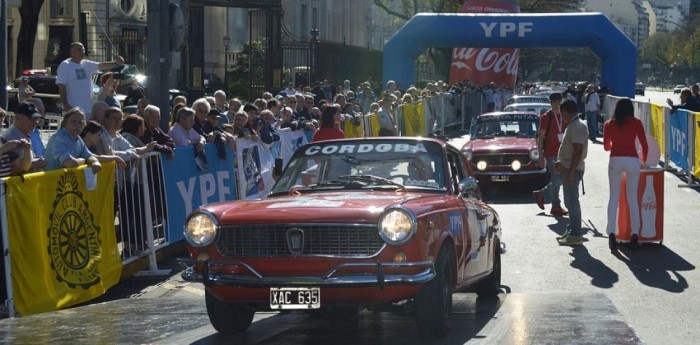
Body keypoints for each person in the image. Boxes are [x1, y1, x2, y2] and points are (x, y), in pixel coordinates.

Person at [603, 98, 648, 251]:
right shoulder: (637, 123)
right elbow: (644, 145)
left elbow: (606, 147)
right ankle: (635, 233)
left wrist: (615, 144)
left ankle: (611, 233)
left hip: (615, 159)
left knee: (613, 198)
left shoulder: (609, 124)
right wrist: (643, 160)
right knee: (632, 198)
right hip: (632, 160)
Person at [56, 42, 125, 119]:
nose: (82, 52)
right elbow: (61, 86)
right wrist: (65, 104)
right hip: (72, 110)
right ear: (72, 52)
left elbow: (100, 65)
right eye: (79, 50)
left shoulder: (87, 64)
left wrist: (115, 63)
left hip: (88, 110)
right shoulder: (65, 65)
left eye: (83, 49)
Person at [554, 99, 588, 246]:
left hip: (571, 170)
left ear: (566, 112)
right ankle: (573, 230)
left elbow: (578, 151)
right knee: (569, 201)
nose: (562, 116)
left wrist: (570, 173)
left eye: (562, 113)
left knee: (572, 202)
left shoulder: (577, 126)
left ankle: (575, 234)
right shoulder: (574, 125)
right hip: (567, 169)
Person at [532, 93, 568, 216]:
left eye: (559, 102)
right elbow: (541, 137)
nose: (557, 105)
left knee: (560, 179)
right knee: (557, 179)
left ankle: (543, 196)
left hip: (563, 152)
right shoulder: (547, 117)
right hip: (551, 152)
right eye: (555, 103)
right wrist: (541, 156)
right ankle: (555, 205)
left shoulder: (565, 115)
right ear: (551, 103)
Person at [44, 107, 102, 172]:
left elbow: (89, 155)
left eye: (80, 123)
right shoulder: (58, 138)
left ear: (84, 126)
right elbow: (70, 163)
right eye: (73, 121)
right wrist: (83, 160)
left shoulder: (78, 139)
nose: (77, 125)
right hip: (51, 180)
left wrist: (95, 162)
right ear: (65, 123)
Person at [1, 102, 45, 171]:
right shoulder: (9, 138)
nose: (36, 122)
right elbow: (8, 168)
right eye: (31, 118)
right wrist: (34, 163)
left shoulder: (26, 134)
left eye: (37, 119)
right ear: (18, 117)